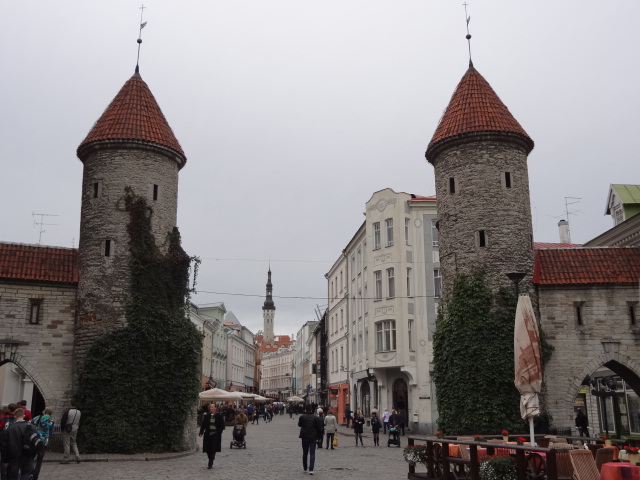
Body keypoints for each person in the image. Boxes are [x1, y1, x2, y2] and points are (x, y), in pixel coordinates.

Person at [5, 408, 37, 480]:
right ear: (24, 415)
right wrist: (33, 454)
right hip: (27, 454)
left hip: (14, 454)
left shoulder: (11, 427)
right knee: (26, 473)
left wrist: (5, 459)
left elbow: (5, 444)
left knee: (13, 474)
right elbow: (35, 440)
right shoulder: (31, 426)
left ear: (15, 416)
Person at [298, 404, 323, 475]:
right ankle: (311, 469)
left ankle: (305, 467)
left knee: (305, 452)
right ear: (311, 409)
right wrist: (319, 437)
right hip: (313, 436)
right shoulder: (315, 418)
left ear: (305, 409)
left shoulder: (302, 417)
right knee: (312, 453)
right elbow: (319, 428)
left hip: (304, 436)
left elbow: (299, 425)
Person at [199, 403, 225, 469]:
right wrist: (201, 432)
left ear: (215, 408)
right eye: (210, 407)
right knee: (207, 448)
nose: (211, 408)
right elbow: (203, 425)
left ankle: (210, 463)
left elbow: (222, 426)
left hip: (215, 434)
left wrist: (219, 432)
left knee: (213, 448)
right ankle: (211, 457)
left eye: (212, 407)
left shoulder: (219, 416)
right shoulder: (207, 416)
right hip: (208, 434)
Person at [31, 407, 54, 480]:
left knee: (31, 457)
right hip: (43, 441)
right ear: (51, 413)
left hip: (35, 439)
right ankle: (35, 476)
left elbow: (31, 425)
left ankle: (31, 472)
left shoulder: (37, 417)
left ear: (45, 411)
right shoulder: (51, 420)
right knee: (39, 460)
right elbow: (51, 431)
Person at [0, 403, 18, 480]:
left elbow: (1, 427)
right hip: (14, 442)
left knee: (3, 460)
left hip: (4, 441)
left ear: (8, 409)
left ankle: (3, 475)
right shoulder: (17, 420)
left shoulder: (3, 418)